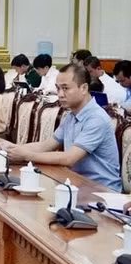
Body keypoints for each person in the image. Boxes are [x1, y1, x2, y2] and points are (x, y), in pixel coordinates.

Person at [6, 63, 121, 192]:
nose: (60, 94)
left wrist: (27, 155)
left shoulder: (96, 118)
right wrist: (13, 150)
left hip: (102, 192)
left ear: (83, 88)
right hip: (76, 183)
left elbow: (69, 158)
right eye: (58, 88)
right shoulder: (71, 115)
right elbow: (47, 145)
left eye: (65, 88)